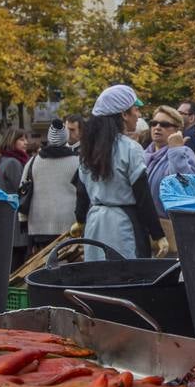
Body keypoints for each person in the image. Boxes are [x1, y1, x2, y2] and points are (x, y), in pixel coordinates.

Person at [71, 84, 168, 261]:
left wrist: (80, 219)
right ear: (124, 114)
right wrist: (157, 234)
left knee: (96, 278)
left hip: (94, 224)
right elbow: (142, 195)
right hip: (123, 225)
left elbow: (81, 190)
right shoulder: (131, 148)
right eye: (135, 110)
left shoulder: (88, 149)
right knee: (126, 277)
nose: (138, 115)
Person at [144, 105, 195, 252]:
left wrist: (176, 150)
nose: (157, 127)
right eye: (154, 123)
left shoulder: (185, 153)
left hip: (172, 231)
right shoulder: (143, 154)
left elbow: (186, 186)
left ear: (177, 130)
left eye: (164, 125)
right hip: (144, 229)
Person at [24, 120, 79, 253]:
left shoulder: (33, 162)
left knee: (45, 268)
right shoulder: (79, 161)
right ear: (65, 136)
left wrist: (24, 223)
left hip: (39, 226)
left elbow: (23, 190)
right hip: (71, 225)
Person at [0, 127, 30, 269]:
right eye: (21, 139)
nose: (26, 142)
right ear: (12, 141)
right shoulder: (13, 162)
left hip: (10, 213)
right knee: (18, 257)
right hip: (16, 215)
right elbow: (21, 188)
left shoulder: (6, 159)